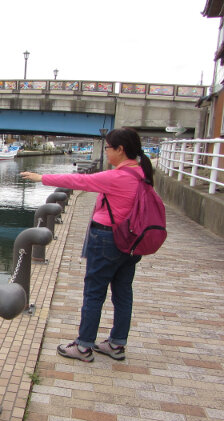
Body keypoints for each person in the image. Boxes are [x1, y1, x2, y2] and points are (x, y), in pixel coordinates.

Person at [20, 128, 155, 362]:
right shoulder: (141, 174)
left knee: (94, 292)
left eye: (109, 148)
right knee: (123, 293)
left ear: (120, 150)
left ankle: (83, 346)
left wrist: (41, 178)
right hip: (131, 240)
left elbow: (80, 181)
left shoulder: (118, 177)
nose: (107, 152)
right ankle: (116, 344)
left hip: (107, 239)